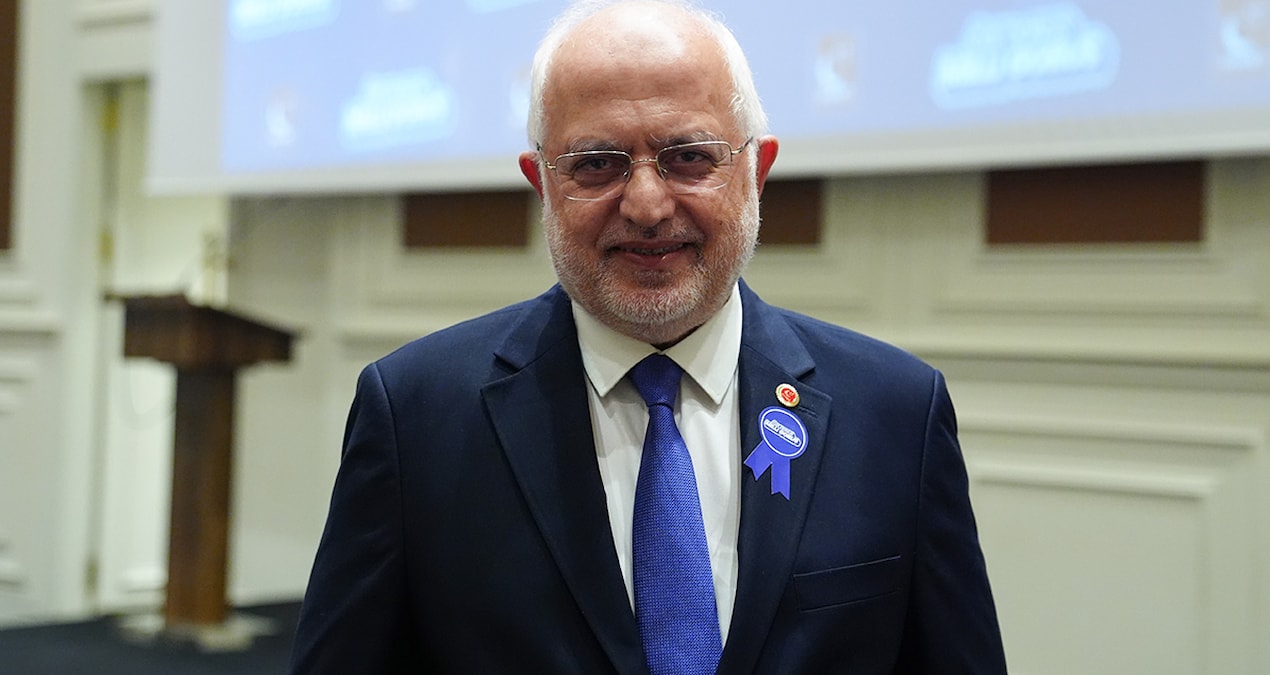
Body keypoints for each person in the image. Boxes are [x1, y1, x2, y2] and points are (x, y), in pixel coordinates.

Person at [289, 1, 1007, 673]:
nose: (646, 204)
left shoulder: (895, 413)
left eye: (689, 156)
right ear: (542, 184)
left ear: (756, 171)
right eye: (596, 164)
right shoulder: (415, 417)